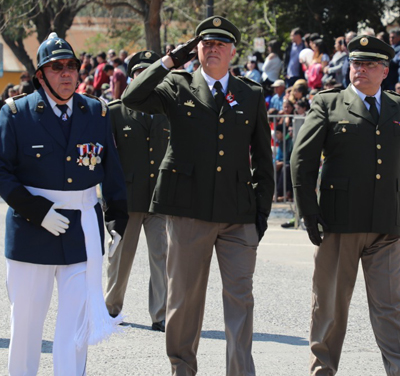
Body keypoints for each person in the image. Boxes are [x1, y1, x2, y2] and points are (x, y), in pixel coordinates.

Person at [121, 16, 274, 376]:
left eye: (221, 44)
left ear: (233, 51)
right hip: (187, 208)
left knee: (240, 299)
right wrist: (170, 60)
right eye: (206, 43)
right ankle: (182, 368)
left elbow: (263, 159)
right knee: (185, 300)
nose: (213, 49)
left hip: (238, 213)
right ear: (197, 49)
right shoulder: (177, 84)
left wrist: (261, 213)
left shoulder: (249, 93)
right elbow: (132, 96)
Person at [0, 33, 128, 374]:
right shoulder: (17, 113)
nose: (66, 74)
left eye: (71, 67)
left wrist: (117, 220)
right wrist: (36, 210)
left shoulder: (95, 111)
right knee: (26, 326)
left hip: (81, 230)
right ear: (40, 75)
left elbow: (111, 168)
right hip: (32, 231)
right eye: (56, 67)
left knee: (76, 328)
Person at [291, 35, 400, 375]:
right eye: (356, 63)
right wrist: (309, 212)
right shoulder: (329, 103)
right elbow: (301, 162)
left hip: (386, 224)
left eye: (370, 64)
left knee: (390, 307)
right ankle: (322, 371)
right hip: (339, 221)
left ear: (385, 71)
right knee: (330, 307)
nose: (360, 69)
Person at [104, 50, 170, 333]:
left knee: (163, 259)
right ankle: (110, 310)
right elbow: (105, 157)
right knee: (120, 258)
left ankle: (162, 315)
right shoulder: (116, 111)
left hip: (160, 198)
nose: (142, 77)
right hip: (127, 198)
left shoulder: (168, 110)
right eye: (137, 73)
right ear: (130, 78)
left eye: (148, 72)